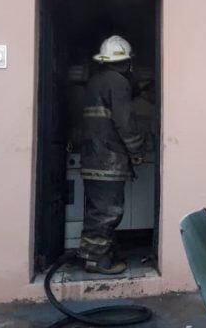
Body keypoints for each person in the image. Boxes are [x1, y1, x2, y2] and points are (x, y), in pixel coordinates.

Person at [79, 35, 145, 274]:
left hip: (92, 155)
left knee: (96, 210)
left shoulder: (95, 81)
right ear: (127, 62)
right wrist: (137, 150)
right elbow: (125, 122)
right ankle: (96, 260)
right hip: (109, 158)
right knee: (108, 212)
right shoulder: (118, 82)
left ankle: (90, 253)